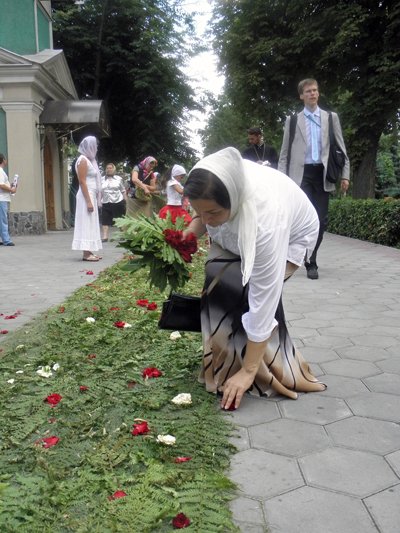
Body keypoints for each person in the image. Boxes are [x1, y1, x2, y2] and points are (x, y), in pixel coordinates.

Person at [183, 147, 326, 410]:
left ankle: (265, 369)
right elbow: (203, 211)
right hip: (237, 228)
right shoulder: (207, 176)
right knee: (218, 277)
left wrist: (248, 372)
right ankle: (223, 363)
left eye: (212, 213)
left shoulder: (267, 223)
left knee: (247, 294)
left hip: (292, 234)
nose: (206, 221)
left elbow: (264, 298)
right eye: (200, 211)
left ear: (233, 200)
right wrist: (192, 229)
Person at [278, 78, 350, 279]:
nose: (312, 93)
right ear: (301, 95)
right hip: (300, 175)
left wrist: (345, 174)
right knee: (300, 219)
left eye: (315, 90)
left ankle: (311, 256)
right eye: (308, 91)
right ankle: (305, 259)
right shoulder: (292, 121)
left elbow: (341, 148)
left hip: (323, 173)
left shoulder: (330, 118)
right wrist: (282, 180)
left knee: (321, 220)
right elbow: (285, 153)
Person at [71, 136, 102, 262]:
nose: (97, 148)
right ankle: (86, 253)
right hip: (86, 195)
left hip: (90, 195)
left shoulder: (89, 160)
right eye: (95, 145)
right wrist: (89, 201)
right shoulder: (82, 160)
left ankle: (89, 250)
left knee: (90, 223)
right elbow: (82, 182)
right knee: (86, 223)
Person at [101, 163, 127, 241]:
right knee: (105, 219)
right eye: (107, 168)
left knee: (119, 219)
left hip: (117, 201)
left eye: (110, 168)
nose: (109, 170)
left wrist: (125, 200)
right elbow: (99, 191)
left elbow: (123, 190)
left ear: (114, 169)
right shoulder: (101, 179)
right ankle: (105, 236)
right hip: (105, 201)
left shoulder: (119, 179)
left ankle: (122, 234)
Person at [0, 153, 16, 246]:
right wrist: (11, 189)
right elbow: (1, 185)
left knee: (0, 220)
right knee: (3, 219)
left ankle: (4, 238)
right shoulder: (0, 171)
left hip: (2, 198)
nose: (6, 161)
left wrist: (11, 186)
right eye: (5, 159)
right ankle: (6, 240)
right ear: (3, 160)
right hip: (2, 199)